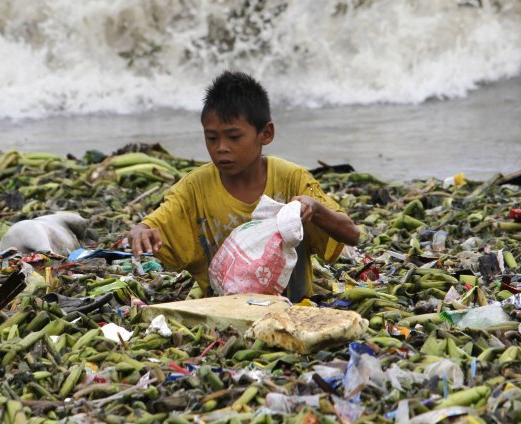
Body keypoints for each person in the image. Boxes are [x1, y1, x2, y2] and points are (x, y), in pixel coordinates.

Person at [128, 71, 360, 301]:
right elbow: (152, 224)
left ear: (265, 134)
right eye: (212, 138)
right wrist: (140, 232)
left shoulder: (292, 179)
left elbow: (352, 234)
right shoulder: (195, 188)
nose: (221, 147)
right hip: (222, 310)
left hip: (293, 308)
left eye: (234, 137)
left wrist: (315, 209)